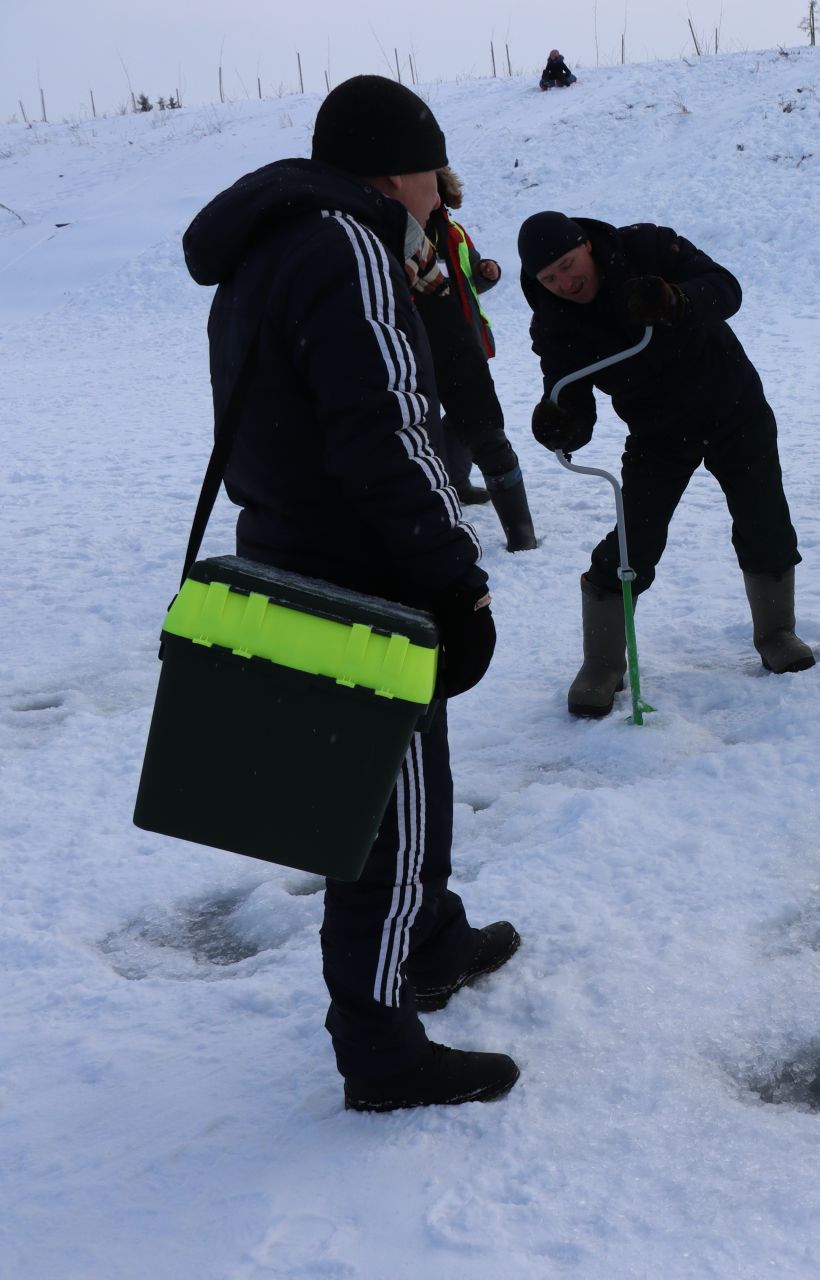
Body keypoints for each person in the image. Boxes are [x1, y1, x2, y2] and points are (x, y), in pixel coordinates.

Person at [181, 75, 520, 1110]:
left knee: (397, 795)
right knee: (382, 818)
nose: (440, 187)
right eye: (432, 166)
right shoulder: (351, 244)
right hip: (359, 569)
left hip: (290, 548)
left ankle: (430, 933)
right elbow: (390, 432)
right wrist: (455, 578)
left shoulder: (271, 246)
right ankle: (381, 1047)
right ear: (393, 166)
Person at [518, 210, 815, 716]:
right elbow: (572, 396)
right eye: (550, 278)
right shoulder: (554, 322)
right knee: (636, 537)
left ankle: (776, 632)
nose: (565, 282)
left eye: (569, 265)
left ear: (586, 245)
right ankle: (603, 662)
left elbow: (726, 288)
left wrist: (676, 301)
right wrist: (564, 424)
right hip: (657, 433)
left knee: (763, 517)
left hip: (734, 407)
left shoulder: (647, 249)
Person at [416, 166, 539, 551]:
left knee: (466, 418)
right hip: (424, 346)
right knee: (424, 420)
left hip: (464, 337)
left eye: (437, 191)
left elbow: (468, 277)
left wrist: (488, 272)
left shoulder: (452, 230)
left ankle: (458, 479)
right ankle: (435, 498)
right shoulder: (407, 233)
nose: (434, 198)